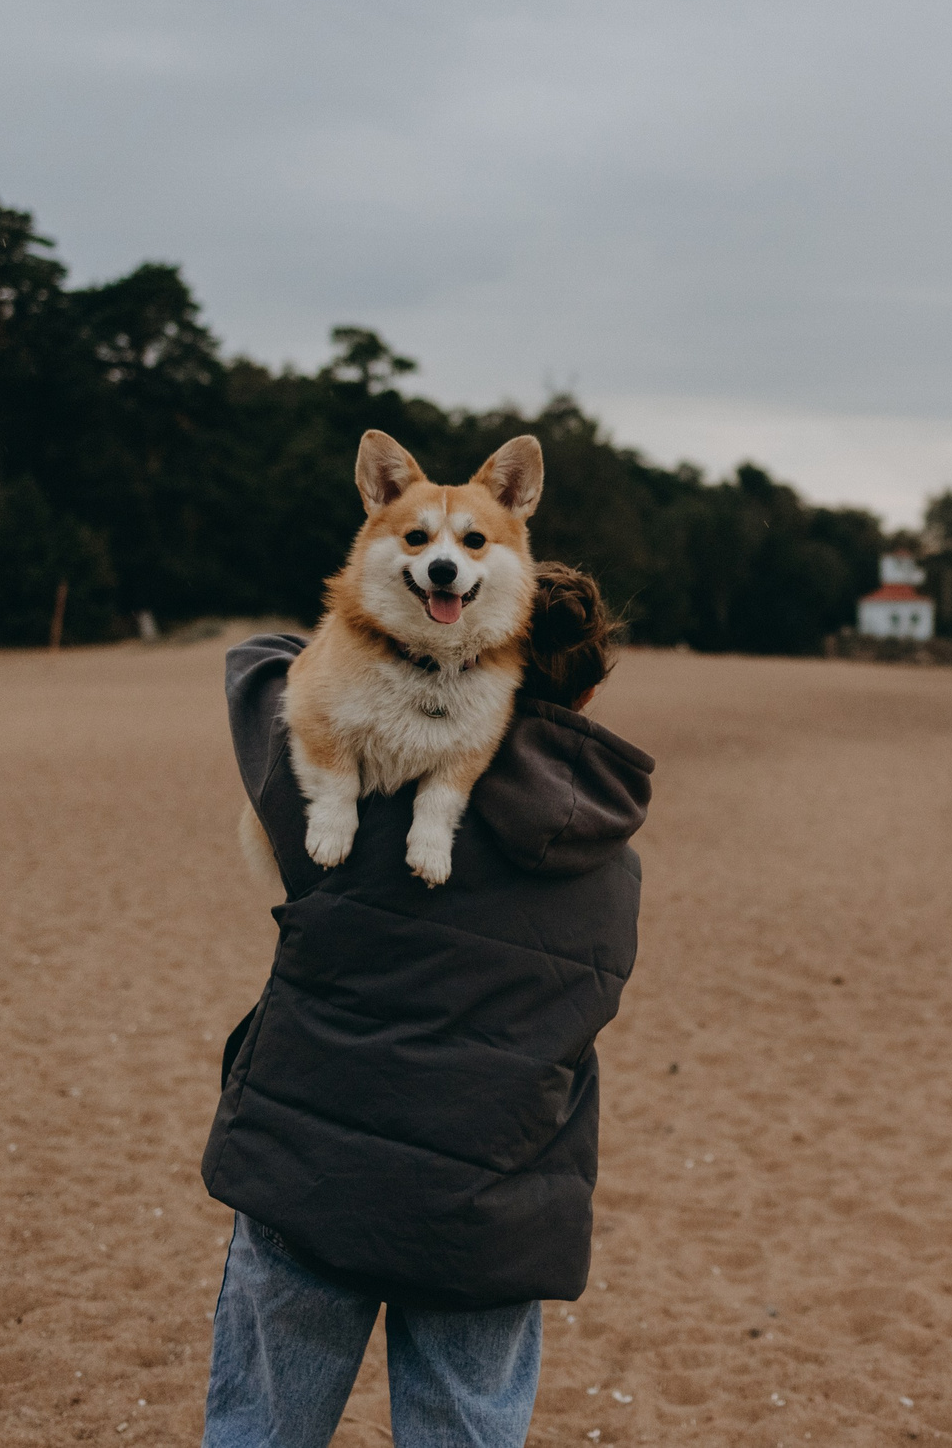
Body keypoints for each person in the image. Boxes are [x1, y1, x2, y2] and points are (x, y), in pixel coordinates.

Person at [200, 564, 647, 1448]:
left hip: (312, 1170)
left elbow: (260, 662)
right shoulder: (613, 865)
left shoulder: (364, 784)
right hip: (490, 1208)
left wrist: (412, 643)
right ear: (593, 686)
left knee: (261, 1430)